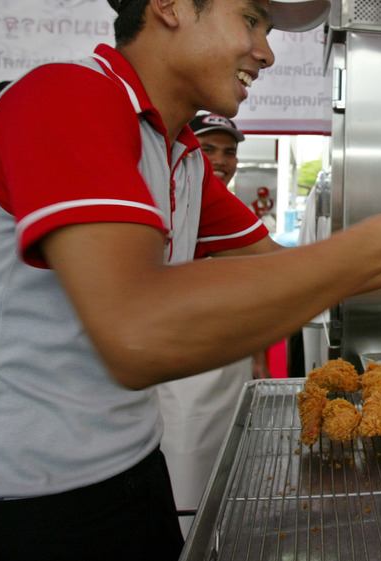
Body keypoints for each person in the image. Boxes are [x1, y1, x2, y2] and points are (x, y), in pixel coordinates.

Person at [0, 1, 381, 560]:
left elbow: (280, 268)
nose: (267, 51)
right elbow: (136, 333)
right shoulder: (64, 98)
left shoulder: (179, 153)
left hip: (134, 476)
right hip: (19, 512)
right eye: (251, 19)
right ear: (171, 5)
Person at [161, 111, 265, 537]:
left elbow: (261, 284)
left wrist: (258, 361)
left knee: (230, 488)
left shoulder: (228, 207)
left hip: (231, 369)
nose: (221, 160)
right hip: (182, 380)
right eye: (208, 149)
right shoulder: (167, 198)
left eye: (230, 151)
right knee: (188, 492)